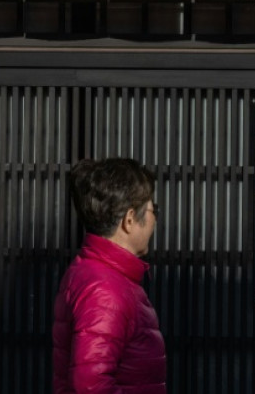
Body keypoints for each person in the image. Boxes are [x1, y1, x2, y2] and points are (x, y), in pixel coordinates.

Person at [52, 158, 166, 394]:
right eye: (154, 210)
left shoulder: (96, 272)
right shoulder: (105, 290)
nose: (155, 220)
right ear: (130, 219)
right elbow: (90, 385)